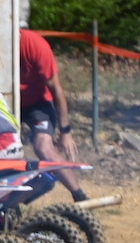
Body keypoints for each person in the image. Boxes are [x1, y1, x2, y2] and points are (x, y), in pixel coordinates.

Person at [19, 28, 88, 202]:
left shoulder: (35, 44)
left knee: (44, 147)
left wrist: (66, 133)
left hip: (38, 103)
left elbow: (57, 89)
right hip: (4, 102)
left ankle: (79, 195)